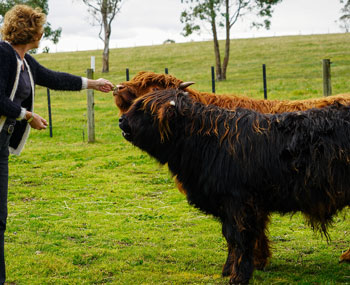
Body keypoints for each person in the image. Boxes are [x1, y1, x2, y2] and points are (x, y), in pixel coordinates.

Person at [0, 4, 114, 283]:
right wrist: (26, 115)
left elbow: (53, 78)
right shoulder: (2, 55)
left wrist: (93, 83)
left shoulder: (23, 60)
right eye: (40, 29)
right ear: (34, 33)